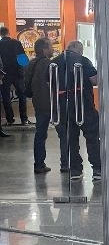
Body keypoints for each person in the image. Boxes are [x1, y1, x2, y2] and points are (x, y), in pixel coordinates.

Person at [54, 40, 102, 181]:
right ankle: (97, 169)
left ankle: (75, 170)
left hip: (62, 107)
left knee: (70, 140)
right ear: (79, 50)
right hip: (84, 105)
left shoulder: (54, 62)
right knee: (92, 138)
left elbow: (49, 82)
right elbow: (94, 80)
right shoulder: (83, 61)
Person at [23, 36, 54, 174]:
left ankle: (39, 164)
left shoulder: (31, 63)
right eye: (50, 46)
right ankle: (66, 164)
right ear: (44, 49)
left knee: (40, 134)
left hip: (38, 102)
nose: (52, 49)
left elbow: (27, 83)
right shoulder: (49, 64)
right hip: (50, 102)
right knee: (63, 133)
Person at [0, 26, 29, 125]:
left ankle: (9, 119)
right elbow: (23, 59)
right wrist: (24, 71)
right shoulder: (16, 43)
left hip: (4, 74)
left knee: (6, 97)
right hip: (17, 73)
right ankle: (24, 119)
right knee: (22, 95)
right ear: (8, 33)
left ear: (0, 34)